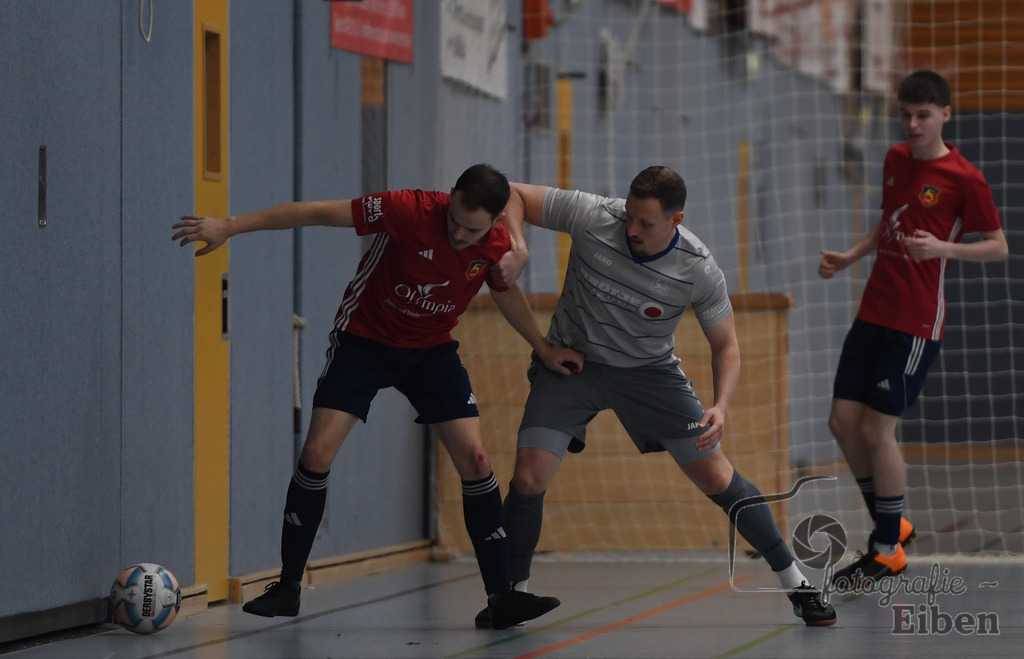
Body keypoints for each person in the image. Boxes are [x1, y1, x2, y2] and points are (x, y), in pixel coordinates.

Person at [171, 164, 581, 629]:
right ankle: (287, 587)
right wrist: (228, 226)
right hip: (364, 340)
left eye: (473, 229)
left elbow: (506, 295)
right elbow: (314, 213)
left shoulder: (497, 247)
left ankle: (500, 597)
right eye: (455, 222)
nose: (461, 235)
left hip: (431, 352)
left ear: (492, 223)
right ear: (449, 199)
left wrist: (543, 348)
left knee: (479, 460)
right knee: (318, 451)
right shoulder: (406, 208)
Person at [474, 166, 837, 628]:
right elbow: (511, 194)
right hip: (572, 364)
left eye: (646, 223)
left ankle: (797, 584)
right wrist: (519, 245)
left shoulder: (698, 268)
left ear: (675, 219)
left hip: (649, 374)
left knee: (719, 478)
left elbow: (726, 346)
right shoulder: (591, 214)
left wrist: (721, 406)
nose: (632, 230)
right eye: (629, 217)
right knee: (528, 478)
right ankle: (512, 597)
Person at [819, 70, 1008, 587]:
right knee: (841, 423)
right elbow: (890, 221)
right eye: (905, 114)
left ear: (945, 115)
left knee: (878, 431)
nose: (912, 123)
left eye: (923, 115)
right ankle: (893, 522)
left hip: (915, 322)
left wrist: (943, 248)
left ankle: (887, 551)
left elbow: (998, 244)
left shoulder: (965, 178)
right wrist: (850, 255)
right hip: (873, 309)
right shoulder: (896, 159)